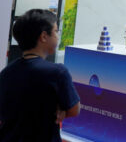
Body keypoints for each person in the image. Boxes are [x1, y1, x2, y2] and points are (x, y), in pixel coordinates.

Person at [0, 9, 80, 142]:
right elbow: (74, 109)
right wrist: (61, 108)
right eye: (56, 31)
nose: (58, 36)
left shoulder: (6, 73)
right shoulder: (57, 72)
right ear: (43, 36)